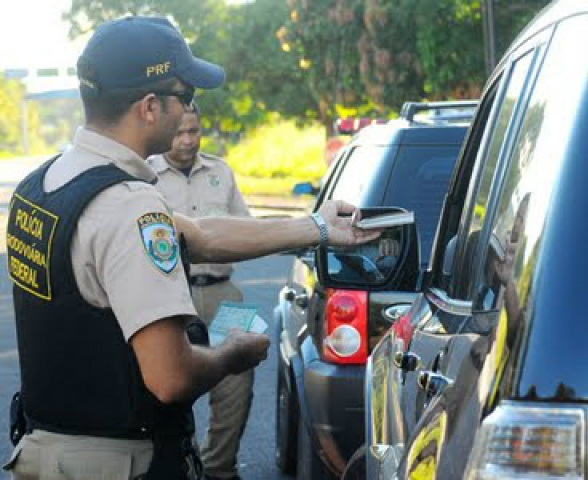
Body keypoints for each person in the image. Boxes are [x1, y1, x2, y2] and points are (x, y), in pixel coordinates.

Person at [3, 16, 379, 480]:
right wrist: (231, 355)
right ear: (148, 107)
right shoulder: (127, 208)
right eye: (186, 97)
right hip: (119, 462)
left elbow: (199, 236)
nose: (188, 112)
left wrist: (318, 227)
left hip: (47, 452)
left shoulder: (44, 185)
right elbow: (171, 376)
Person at [147, 103, 253, 480]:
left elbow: (245, 230)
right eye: (179, 132)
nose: (187, 140)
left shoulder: (220, 172)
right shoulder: (146, 177)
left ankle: (219, 471)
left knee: (238, 385)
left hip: (226, 292)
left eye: (194, 131)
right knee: (170, 386)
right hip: (173, 297)